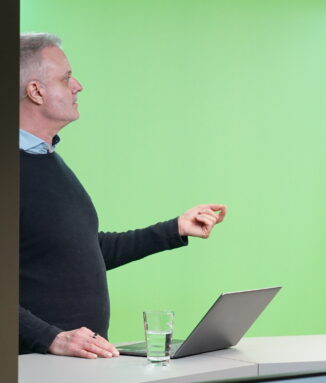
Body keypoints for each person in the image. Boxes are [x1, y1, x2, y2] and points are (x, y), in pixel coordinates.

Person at [19, 33, 227, 357]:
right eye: (66, 78)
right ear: (35, 91)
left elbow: (84, 250)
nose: (78, 86)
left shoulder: (48, 162)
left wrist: (174, 229)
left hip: (78, 368)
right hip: (31, 373)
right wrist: (51, 338)